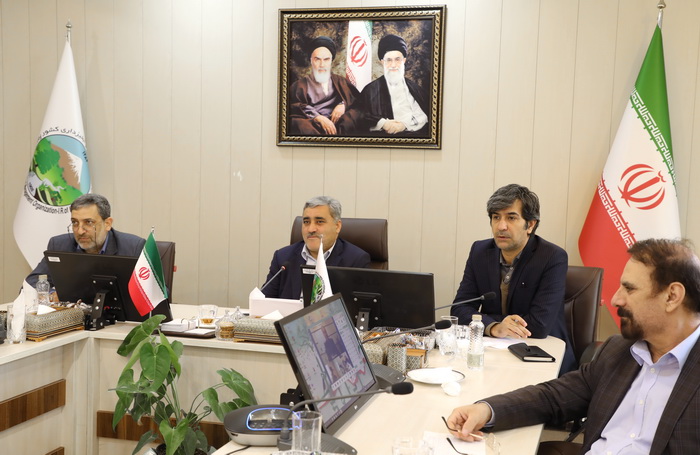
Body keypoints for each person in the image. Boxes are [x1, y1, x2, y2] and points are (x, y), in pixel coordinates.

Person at [447, 238, 700, 454]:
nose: (615, 299)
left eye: (629, 289)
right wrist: (486, 410)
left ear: (672, 296)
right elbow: (553, 397)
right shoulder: (619, 350)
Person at [451, 184, 576, 373]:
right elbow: (460, 309)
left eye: (511, 218)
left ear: (530, 224)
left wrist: (486, 321)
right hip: (493, 355)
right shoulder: (480, 251)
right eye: (496, 217)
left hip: (541, 356)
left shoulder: (552, 257)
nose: (501, 226)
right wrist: (494, 327)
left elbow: (539, 325)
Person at [25, 194, 145, 296]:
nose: (80, 231)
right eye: (75, 222)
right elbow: (32, 282)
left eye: (88, 222)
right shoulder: (59, 245)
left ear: (107, 223)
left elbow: (149, 293)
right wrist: (52, 294)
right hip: (73, 315)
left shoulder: (133, 248)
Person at [262, 196, 370, 300]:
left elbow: (357, 307)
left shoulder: (355, 260)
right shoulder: (283, 257)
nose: (311, 229)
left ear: (337, 226)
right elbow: (264, 301)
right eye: (306, 222)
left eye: (319, 222)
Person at [288, 36, 363, 135]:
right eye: (317, 59)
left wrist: (343, 105)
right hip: (313, 124)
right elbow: (294, 107)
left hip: (337, 123)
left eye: (326, 59)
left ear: (331, 61)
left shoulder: (340, 81)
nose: (322, 65)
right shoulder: (299, 86)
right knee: (299, 124)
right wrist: (318, 117)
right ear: (311, 60)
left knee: (353, 116)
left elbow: (356, 100)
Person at [360, 34, 429, 135]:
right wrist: (383, 123)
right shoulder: (370, 90)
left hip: (412, 136)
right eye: (389, 60)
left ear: (404, 61)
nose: (393, 65)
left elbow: (423, 115)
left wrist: (404, 125)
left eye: (397, 59)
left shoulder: (415, 89)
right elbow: (360, 116)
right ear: (382, 62)